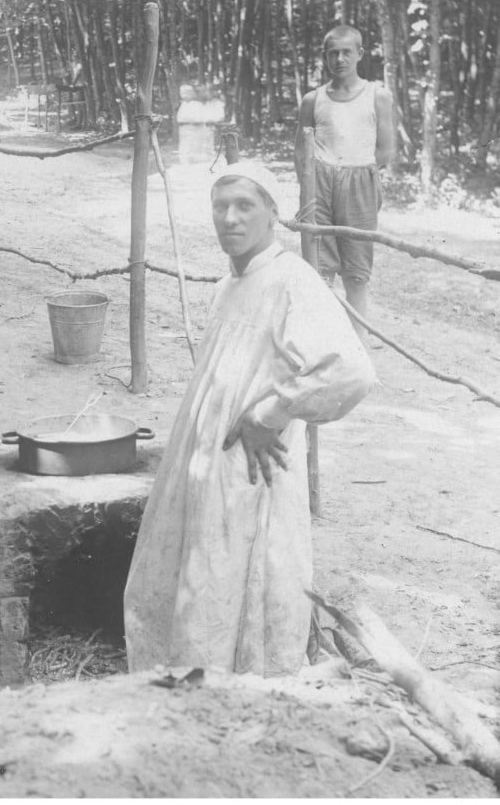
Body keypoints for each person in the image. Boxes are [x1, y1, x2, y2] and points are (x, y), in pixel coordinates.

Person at [123, 162, 376, 677]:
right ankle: (188, 681)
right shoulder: (228, 286)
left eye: (245, 206)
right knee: (202, 571)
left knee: (242, 571)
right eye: (221, 207)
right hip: (204, 459)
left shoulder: (292, 280)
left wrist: (272, 412)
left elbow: (351, 371)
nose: (230, 219)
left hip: (252, 462)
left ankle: (240, 689)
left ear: (272, 215)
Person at [294, 24, 396, 331]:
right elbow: (300, 150)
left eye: (346, 52)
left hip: (360, 182)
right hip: (319, 185)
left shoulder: (377, 96)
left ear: (360, 54)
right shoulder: (313, 99)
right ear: (325, 57)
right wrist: (309, 188)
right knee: (319, 269)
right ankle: (324, 344)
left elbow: (385, 150)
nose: (340, 59)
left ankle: (358, 349)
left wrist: (357, 176)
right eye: (333, 53)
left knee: (356, 271)